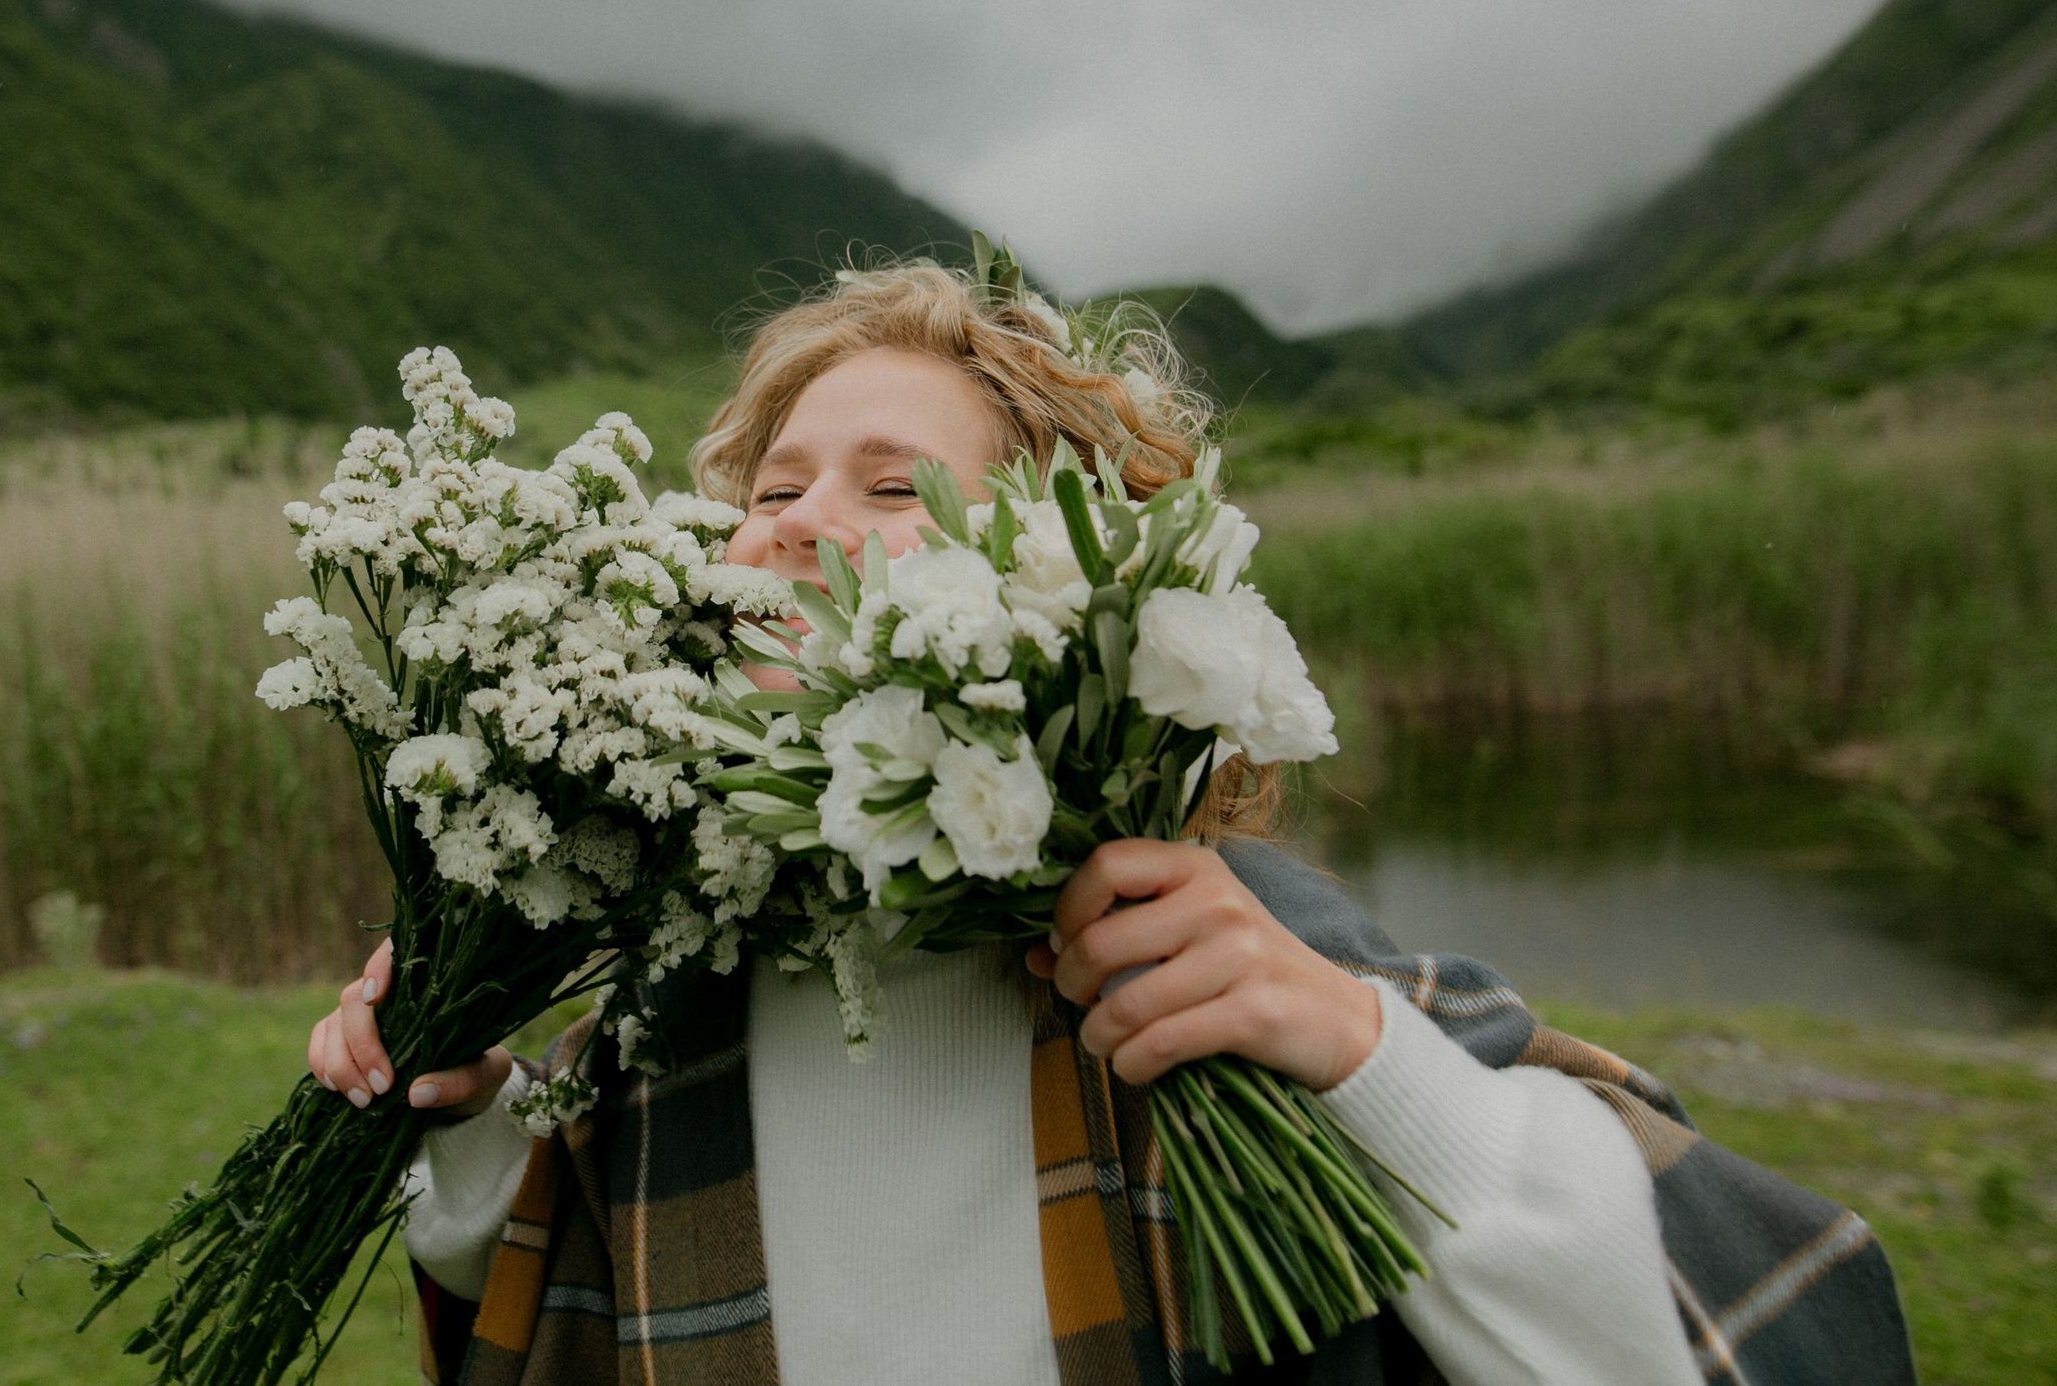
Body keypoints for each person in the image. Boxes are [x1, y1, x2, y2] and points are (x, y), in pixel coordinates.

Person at [307, 264, 1913, 1386]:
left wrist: (1366, 1060)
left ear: (1056, 562)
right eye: (771, 488)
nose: (793, 527)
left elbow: (1702, 1339)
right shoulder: (670, 986)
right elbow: (580, 1312)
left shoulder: (1224, 949)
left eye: (887, 488)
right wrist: (471, 1116)